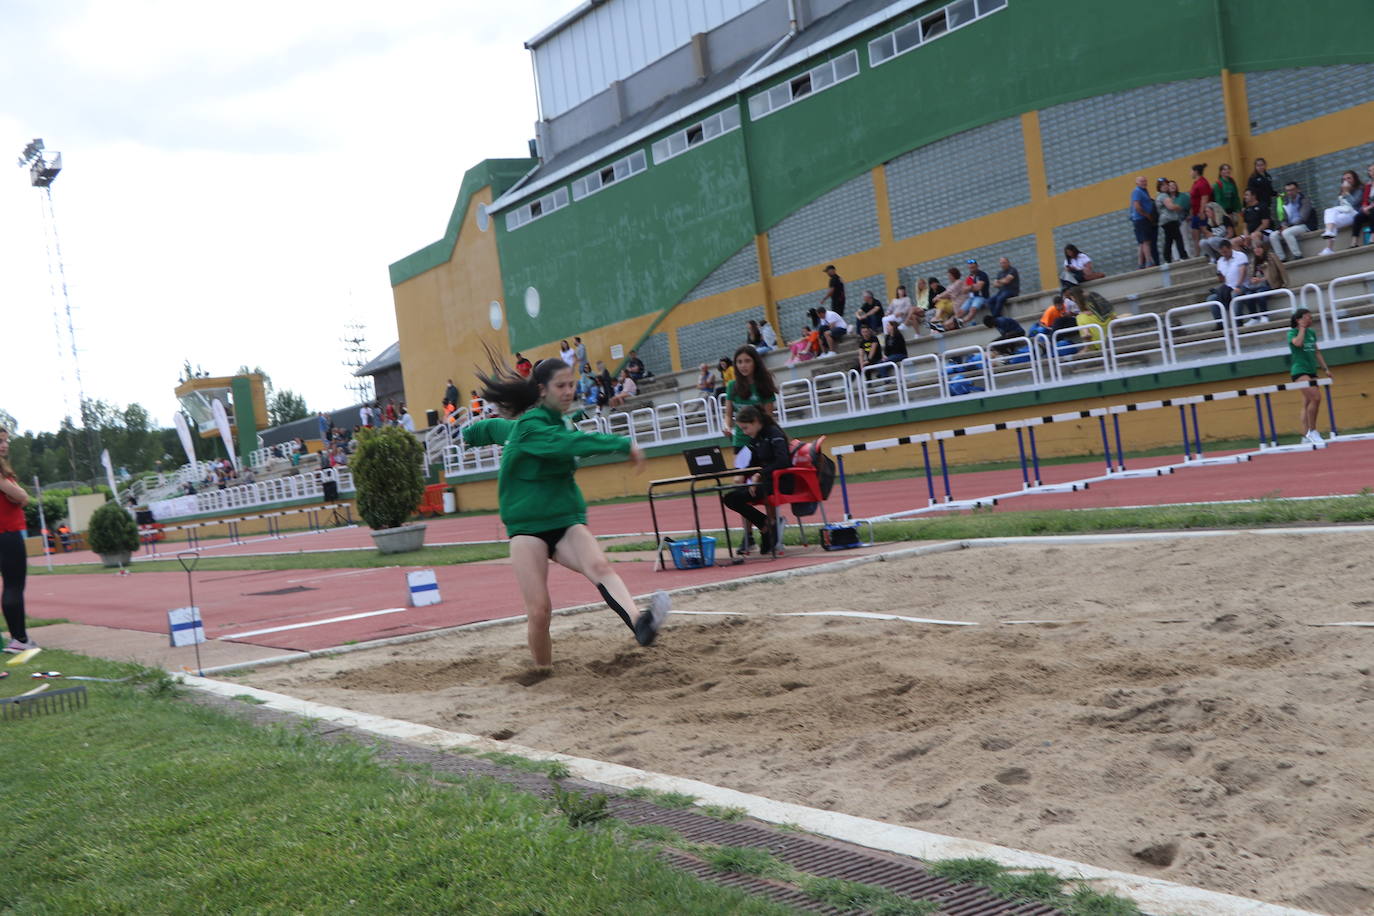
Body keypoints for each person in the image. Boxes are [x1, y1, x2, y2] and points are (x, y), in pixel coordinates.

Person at [464, 356, 669, 671]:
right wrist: (468, 435)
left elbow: (503, 429)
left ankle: (640, 625)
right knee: (540, 611)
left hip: (563, 521)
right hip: (527, 528)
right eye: (561, 385)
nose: (569, 391)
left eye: (572, 384)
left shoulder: (553, 425)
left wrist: (479, 434)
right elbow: (564, 442)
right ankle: (543, 671)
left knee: (600, 565)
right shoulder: (532, 427)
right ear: (542, 390)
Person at [723, 346, 778, 555]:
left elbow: (769, 419)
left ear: (755, 362)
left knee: (764, 484)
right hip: (740, 443)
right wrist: (727, 426)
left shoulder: (764, 385)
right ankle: (748, 535)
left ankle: (772, 526)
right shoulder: (732, 386)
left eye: (747, 361)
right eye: (739, 362)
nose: (743, 366)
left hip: (761, 443)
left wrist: (761, 439)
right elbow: (728, 414)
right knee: (739, 485)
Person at [720, 405, 792, 556]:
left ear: (756, 422)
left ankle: (767, 525)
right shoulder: (755, 438)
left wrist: (759, 474)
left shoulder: (774, 433)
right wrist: (742, 473)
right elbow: (752, 463)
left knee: (734, 498)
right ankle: (766, 524)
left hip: (780, 481)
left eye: (746, 428)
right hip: (763, 482)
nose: (745, 433)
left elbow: (783, 461)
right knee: (729, 498)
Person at [0, 428, 35, 654]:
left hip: (7, 532)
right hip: (7, 533)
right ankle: (19, 639)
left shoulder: (4, 471)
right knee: (14, 585)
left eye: (5, 441)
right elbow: (22, 497)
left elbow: (19, 496)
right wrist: (18, 495)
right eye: (0, 441)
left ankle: (18, 638)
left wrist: (17, 495)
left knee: (12, 585)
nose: (4, 445)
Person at [1287, 309, 1331, 448]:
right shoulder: (1292, 333)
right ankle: (1312, 431)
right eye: (1306, 318)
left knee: (1307, 403)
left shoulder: (1311, 333)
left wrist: (1326, 369)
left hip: (1312, 370)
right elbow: (1298, 343)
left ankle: (1306, 436)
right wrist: (1302, 328)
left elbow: (1317, 352)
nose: (1310, 320)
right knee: (1316, 398)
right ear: (1298, 320)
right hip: (1299, 371)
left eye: (1311, 317)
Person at [1237, 241, 1289, 326]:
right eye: (1255, 248)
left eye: (1259, 247)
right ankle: (1254, 317)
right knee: (1248, 295)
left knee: (1260, 294)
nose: (1257, 250)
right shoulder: (1253, 260)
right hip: (1256, 285)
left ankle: (1264, 316)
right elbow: (1250, 274)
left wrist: (1285, 283)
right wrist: (1252, 279)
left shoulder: (1271, 257)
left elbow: (1280, 270)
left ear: (1263, 248)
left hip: (1270, 283)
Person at [1319, 170, 1363, 255]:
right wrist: (1342, 195)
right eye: (1344, 179)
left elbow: (1354, 204)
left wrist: (1346, 192)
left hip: (1353, 214)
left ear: (1355, 179)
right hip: (1344, 215)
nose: (1346, 180)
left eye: (1349, 178)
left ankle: (1329, 234)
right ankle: (1329, 247)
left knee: (1331, 218)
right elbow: (1336, 207)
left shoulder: (1360, 190)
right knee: (1330, 215)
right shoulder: (1342, 192)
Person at [1273, 181, 1317, 261]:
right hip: (1290, 227)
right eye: (1287, 190)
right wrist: (1283, 226)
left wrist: (1287, 227)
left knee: (1286, 232)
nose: (1290, 192)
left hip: (1305, 225)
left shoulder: (1305, 200)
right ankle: (1281, 258)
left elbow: (1303, 218)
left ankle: (1298, 255)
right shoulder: (1286, 202)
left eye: (1292, 190)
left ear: (1298, 190)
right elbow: (1284, 218)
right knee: (1273, 235)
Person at [1211, 239, 1249, 329]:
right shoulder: (1220, 261)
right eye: (1222, 252)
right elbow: (1222, 280)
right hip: (1228, 287)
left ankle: (1238, 321)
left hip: (1242, 285)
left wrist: (1238, 286)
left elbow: (1243, 271)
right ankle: (1220, 324)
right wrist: (1220, 276)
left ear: (1230, 248)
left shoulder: (1240, 256)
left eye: (1225, 252)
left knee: (1235, 294)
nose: (1224, 254)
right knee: (1211, 299)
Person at [1129, 175, 1158, 269]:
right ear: (1137, 183)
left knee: (1142, 242)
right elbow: (1137, 206)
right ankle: (1149, 262)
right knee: (1146, 241)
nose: (1144, 183)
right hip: (1141, 219)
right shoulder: (1137, 191)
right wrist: (1147, 215)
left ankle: (1141, 264)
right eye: (1141, 181)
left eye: (1145, 181)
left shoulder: (1144, 191)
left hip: (1142, 219)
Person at [1157, 178, 1189, 263]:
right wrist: (1179, 207)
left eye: (1166, 184)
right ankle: (1183, 255)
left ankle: (1167, 257)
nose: (1165, 186)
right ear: (1159, 187)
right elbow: (1170, 207)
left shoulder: (1160, 196)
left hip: (1166, 221)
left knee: (1169, 239)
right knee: (1178, 238)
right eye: (1162, 185)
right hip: (1169, 220)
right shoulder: (1164, 196)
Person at [930, 266, 968, 330]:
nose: (948, 277)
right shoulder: (951, 285)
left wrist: (938, 297)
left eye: (949, 275)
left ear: (954, 275)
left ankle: (939, 322)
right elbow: (948, 295)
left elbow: (949, 292)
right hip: (954, 306)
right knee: (941, 302)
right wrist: (939, 298)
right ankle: (937, 321)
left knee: (942, 302)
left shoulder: (959, 282)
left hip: (961, 305)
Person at [1188, 163, 1214, 253]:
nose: (1190, 173)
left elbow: (1204, 197)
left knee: (1205, 231)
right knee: (1195, 234)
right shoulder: (1196, 183)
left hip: (1201, 213)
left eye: (1191, 171)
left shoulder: (1202, 183)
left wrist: (1202, 211)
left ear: (1196, 172)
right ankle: (1197, 254)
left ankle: (1214, 250)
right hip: (1195, 213)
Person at [955, 259, 990, 324]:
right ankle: (949, 324)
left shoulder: (982, 275)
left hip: (981, 297)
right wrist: (972, 287)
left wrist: (970, 287)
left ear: (977, 266)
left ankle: (962, 322)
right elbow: (964, 291)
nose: (972, 269)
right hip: (971, 298)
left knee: (972, 309)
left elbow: (978, 288)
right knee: (960, 312)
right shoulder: (970, 277)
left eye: (973, 267)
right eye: (970, 268)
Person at [1241, 187, 1272, 252]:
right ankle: (1244, 260)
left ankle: (1259, 257)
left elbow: (1265, 224)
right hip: (1250, 234)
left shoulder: (1263, 206)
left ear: (1253, 196)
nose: (1245, 197)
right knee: (1234, 242)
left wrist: (1252, 234)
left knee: (1254, 236)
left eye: (1247, 195)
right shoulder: (1246, 210)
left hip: (1265, 233)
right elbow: (1245, 227)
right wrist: (1246, 236)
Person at [1352, 163, 1374, 248]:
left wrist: (1369, 207)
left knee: (1373, 212)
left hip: (1372, 209)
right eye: (1370, 170)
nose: (1372, 172)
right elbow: (1365, 199)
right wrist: (1365, 207)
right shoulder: (1368, 185)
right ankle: (1354, 242)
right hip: (1369, 209)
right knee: (1358, 217)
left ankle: (1373, 237)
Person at [1213, 163, 1242, 227]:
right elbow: (1218, 200)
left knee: (1234, 225)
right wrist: (1224, 213)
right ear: (1220, 172)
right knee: (1228, 227)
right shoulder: (1218, 184)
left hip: (1232, 209)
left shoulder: (1232, 182)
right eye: (1224, 169)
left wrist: (1239, 209)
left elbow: (1236, 197)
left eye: (1228, 169)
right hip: (1224, 210)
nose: (1227, 171)